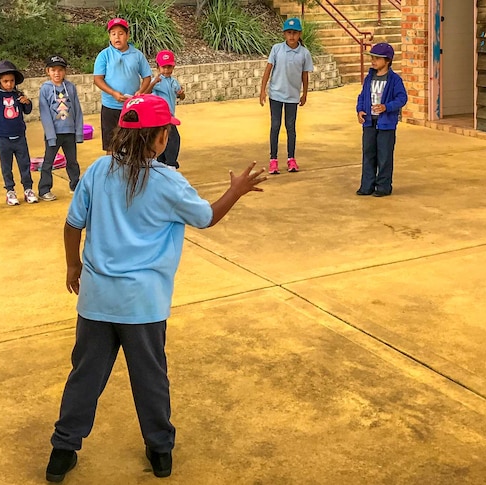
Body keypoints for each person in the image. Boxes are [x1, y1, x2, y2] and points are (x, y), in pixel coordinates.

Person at [45, 94, 266, 482]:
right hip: (142, 305)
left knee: (84, 376)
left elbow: (72, 224)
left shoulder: (97, 171)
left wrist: (72, 264)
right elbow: (206, 217)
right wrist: (237, 189)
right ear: (160, 138)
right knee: (150, 378)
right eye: (166, 131)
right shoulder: (167, 181)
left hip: (96, 299)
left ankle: (62, 451)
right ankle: (160, 451)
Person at [259, 17, 314, 175]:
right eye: (289, 33)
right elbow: (268, 69)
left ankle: (291, 159)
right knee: (275, 126)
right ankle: (273, 160)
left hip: (292, 96)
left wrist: (304, 94)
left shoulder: (304, 53)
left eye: (295, 33)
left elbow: (305, 75)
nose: (292, 36)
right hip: (276, 94)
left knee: (291, 127)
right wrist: (263, 90)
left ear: (300, 34)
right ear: (284, 34)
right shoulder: (277, 49)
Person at [0, 60, 37, 206]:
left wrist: (27, 102)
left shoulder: (18, 94)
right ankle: (10, 191)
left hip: (20, 137)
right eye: (5, 81)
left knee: (25, 163)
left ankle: (28, 189)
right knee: (6, 165)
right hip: (3, 138)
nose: (9, 84)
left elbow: (27, 111)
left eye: (11, 81)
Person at [93, 17, 152, 153]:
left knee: (133, 145)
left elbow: (147, 77)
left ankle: (132, 172)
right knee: (111, 146)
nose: (117, 37)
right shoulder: (104, 55)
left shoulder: (137, 55)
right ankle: (112, 173)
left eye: (120, 33)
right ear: (109, 36)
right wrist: (113, 93)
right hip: (110, 107)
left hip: (132, 107)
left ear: (127, 35)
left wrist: (141, 92)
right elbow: (98, 79)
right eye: (113, 34)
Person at [356, 42, 407, 197]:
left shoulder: (394, 80)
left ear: (387, 60)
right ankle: (367, 185)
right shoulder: (369, 78)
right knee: (368, 153)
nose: (373, 61)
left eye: (377, 58)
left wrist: (387, 107)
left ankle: (383, 186)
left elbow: (402, 98)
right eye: (372, 58)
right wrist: (360, 110)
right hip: (369, 122)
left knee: (384, 155)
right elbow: (362, 96)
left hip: (386, 124)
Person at [37, 54, 83, 201]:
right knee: (48, 163)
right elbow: (44, 113)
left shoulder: (70, 87)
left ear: (65, 71)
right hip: (54, 134)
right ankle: (44, 189)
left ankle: (75, 185)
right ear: (47, 71)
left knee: (72, 161)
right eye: (53, 70)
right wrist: (50, 135)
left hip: (69, 132)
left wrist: (79, 132)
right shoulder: (45, 89)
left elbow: (77, 109)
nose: (57, 73)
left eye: (60, 70)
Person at [144, 49, 185, 169]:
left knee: (165, 139)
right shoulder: (156, 81)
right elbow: (146, 93)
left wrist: (181, 93)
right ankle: (171, 163)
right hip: (160, 116)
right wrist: (153, 82)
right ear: (158, 68)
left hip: (170, 115)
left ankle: (162, 163)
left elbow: (181, 97)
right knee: (173, 138)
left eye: (169, 67)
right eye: (164, 67)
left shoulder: (173, 82)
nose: (166, 70)